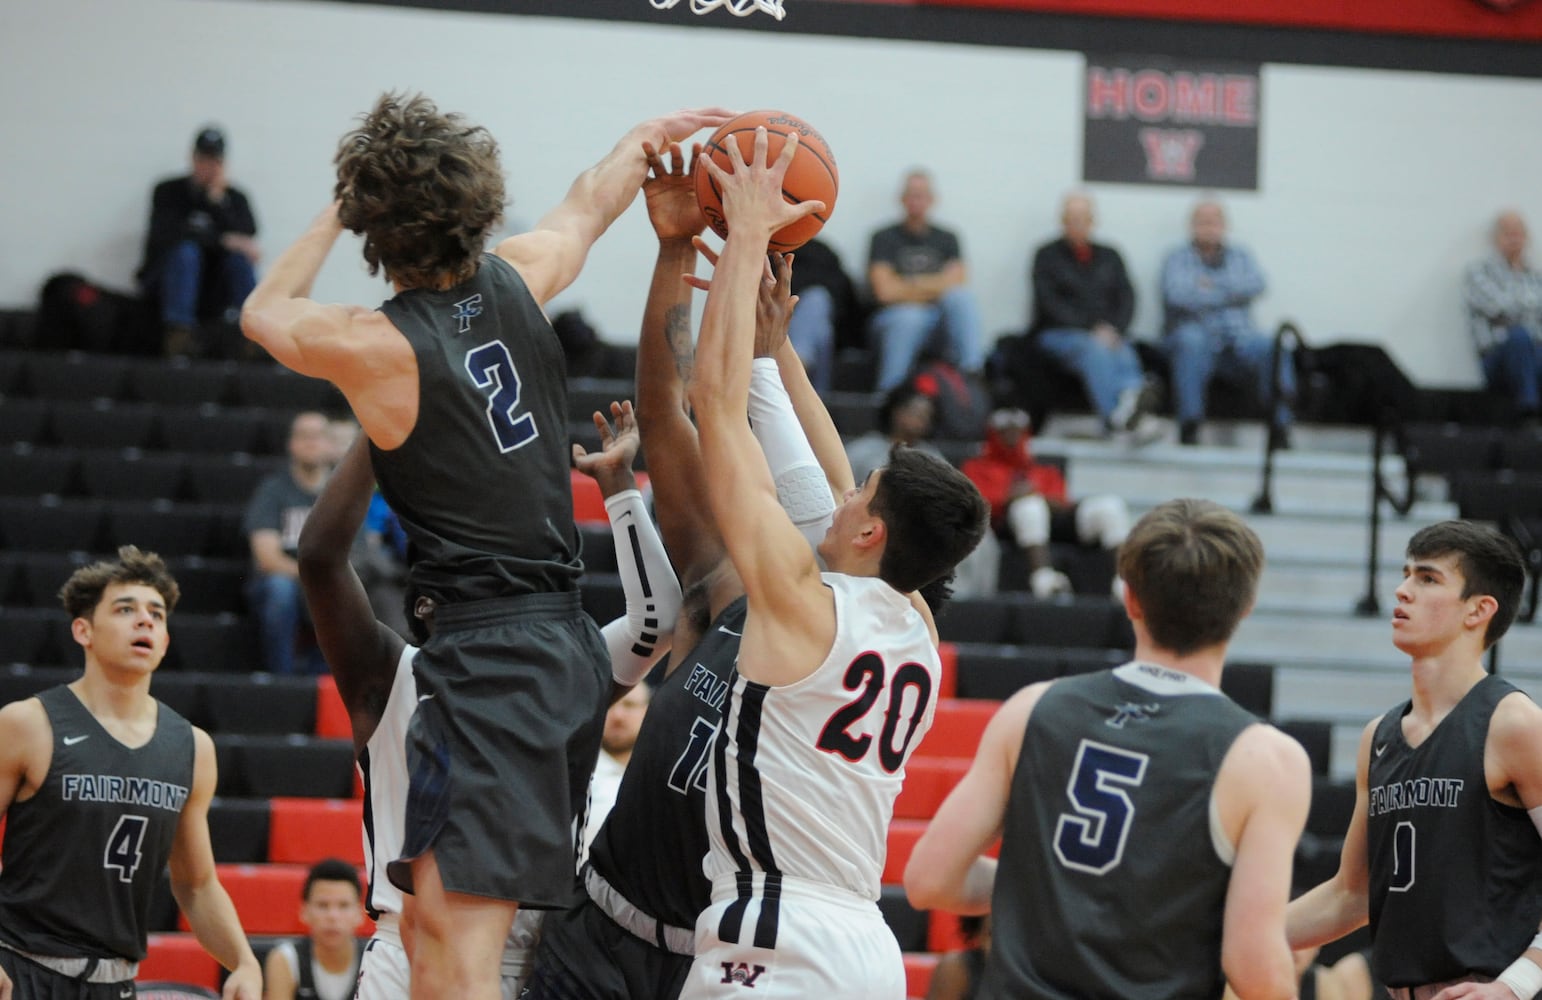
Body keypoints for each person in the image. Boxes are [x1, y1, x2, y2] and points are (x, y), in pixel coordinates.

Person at [241, 93, 730, 1000]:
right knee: (431, 928)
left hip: (498, 663)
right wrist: (642, 141)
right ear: (478, 200)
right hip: (533, 654)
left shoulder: (380, 344)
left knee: (459, 955)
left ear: (377, 226)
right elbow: (589, 201)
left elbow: (265, 313)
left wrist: (339, 207)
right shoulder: (519, 273)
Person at [525, 140, 846, 1000]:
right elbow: (669, 410)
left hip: (718, 961)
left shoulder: (838, 641)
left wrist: (766, 341)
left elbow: (822, 480)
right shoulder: (727, 591)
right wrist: (674, 251)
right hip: (595, 926)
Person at [680, 128, 988, 998]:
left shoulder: (797, 602)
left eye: (864, 496)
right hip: (866, 945)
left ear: (873, 535)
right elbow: (834, 489)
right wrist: (780, 348)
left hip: (776, 935)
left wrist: (744, 236)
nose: (843, 494)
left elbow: (715, 406)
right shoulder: (916, 623)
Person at [297, 404, 680, 1000]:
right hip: (413, 943)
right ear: (430, 607)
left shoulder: (563, 671)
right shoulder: (392, 673)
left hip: (537, 949)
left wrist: (618, 486)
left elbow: (655, 623)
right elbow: (320, 556)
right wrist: (383, 420)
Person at [905, 497, 1311, 1000]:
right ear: (1245, 606)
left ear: (1131, 598)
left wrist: (1054, 884)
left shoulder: (1033, 708)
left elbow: (929, 880)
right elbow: (1251, 960)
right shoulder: (1268, 759)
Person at [1287, 521, 1542, 999]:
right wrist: (1227, 933)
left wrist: (1516, 985)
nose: (1402, 591)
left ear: (1479, 610)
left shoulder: (1514, 724)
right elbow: (1352, 894)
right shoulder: (1377, 737)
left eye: (1427, 579)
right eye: (1405, 575)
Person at [0, 546, 262, 1000]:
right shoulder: (27, 724)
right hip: (19, 971)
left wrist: (243, 960)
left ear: (165, 640)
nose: (145, 621)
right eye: (126, 610)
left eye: (156, 615)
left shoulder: (192, 747)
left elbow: (195, 884)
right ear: (83, 630)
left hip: (115, 982)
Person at [1160, 200, 1293, 448]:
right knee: (1190, 340)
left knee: (1272, 344)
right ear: (1192, 226)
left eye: (1214, 222)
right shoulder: (1177, 258)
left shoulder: (1241, 255)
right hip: (1201, 344)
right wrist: (1231, 292)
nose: (1208, 227)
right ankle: (1190, 427)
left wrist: (1208, 287)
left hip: (1240, 341)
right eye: (1202, 222)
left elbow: (1258, 285)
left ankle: (1281, 427)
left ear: (1224, 225)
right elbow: (1177, 295)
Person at [961, 407, 1130, 598]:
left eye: (1017, 430)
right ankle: (1044, 580)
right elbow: (975, 506)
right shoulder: (976, 468)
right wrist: (1010, 497)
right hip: (1008, 526)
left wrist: (1041, 496)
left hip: (1055, 521)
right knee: (1029, 507)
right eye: (1005, 432)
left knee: (1109, 506)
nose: (1012, 436)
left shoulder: (1044, 469)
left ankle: (1123, 581)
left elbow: (1062, 501)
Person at [1029, 193, 1157, 439]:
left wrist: (1115, 329)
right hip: (1059, 334)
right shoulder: (1046, 255)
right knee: (1094, 349)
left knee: (1124, 350)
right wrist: (1091, 328)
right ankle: (1116, 421)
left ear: (1092, 221)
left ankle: (1132, 409)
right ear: (1062, 221)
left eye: (1083, 218)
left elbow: (1127, 297)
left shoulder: (1110, 255)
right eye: (1071, 218)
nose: (1077, 224)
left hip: (1108, 333)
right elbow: (1049, 303)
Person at [138, 126, 260, 358]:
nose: (208, 167)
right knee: (186, 252)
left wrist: (218, 202)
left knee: (240, 259)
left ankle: (254, 334)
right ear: (193, 158)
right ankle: (179, 334)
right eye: (203, 159)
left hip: (213, 286)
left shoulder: (233, 197)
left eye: (214, 161)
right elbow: (168, 233)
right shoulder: (168, 191)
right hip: (170, 280)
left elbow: (248, 232)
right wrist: (223, 240)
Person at [867, 170, 988, 392]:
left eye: (922, 195)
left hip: (937, 319)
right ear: (902, 199)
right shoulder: (883, 238)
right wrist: (937, 284)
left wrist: (909, 284)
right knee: (909, 317)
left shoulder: (948, 238)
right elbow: (885, 292)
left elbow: (958, 283)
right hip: (895, 318)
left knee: (962, 299)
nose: (916, 200)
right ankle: (889, 396)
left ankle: (973, 378)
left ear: (933, 200)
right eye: (912, 194)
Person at [243, 410, 332, 676]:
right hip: (286, 581)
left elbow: (359, 552)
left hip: (328, 582)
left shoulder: (341, 493)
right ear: (291, 444)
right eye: (304, 436)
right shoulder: (273, 491)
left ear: (330, 444)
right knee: (280, 590)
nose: (311, 442)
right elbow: (267, 557)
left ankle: (328, 678)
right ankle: (283, 678)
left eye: (318, 436)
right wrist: (314, 577)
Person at [1465, 210, 1542, 424]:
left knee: (1529, 343)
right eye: (1508, 233)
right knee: (1519, 337)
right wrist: (1532, 308)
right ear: (1495, 238)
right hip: (1497, 359)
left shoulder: (1536, 277)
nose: (1514, 239)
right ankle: (1529, 412)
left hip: (1535, 356)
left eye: (1518, 233)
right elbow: (1499, 309)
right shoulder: (1478, 272)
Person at [262, 859, 366, 1000]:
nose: (332, 916)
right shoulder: (286, 959)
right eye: (322, 905)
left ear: (360, 914)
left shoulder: (374, 960)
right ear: (304, 912)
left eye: (344, 905)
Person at [580, 683, 650, 863]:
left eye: (629, 705)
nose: (618, 716)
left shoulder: (655, 775)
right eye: (611, 705)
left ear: (648, 710)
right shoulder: (575, 770)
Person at [785, 237, 861, 392]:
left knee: (816, 303)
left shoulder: (821, 253)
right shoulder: (759, 252)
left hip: (813, 335)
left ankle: (795, 369)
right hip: (767, 327)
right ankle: (796, 375)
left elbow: (843, 299)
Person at [927, 915, 991, 1000]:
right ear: (978, 935)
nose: (1003, 943)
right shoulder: (955, 969)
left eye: (1012, 934)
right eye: (993, 934)